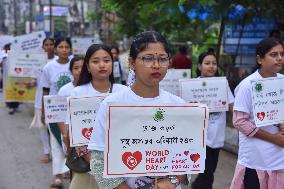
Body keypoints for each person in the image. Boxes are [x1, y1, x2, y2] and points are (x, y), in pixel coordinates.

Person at [88, 31, 187, 189]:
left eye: (162, 59)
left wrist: (172, 181)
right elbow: (98, 162)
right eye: (147, 58)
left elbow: (188, 155)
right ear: (131, 62)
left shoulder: (179, 105)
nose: (156, 65)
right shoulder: (111, 105)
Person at [68, 44, 127, 189]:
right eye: (95, 61)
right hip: (88, 168)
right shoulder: (78, 93)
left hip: (121, 166)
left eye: (106, 60)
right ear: (87, 67)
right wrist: (97, 166)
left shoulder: (124, 91)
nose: (102, 65)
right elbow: (76, 137)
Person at [230, 37, 284, 189]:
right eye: (274, 55)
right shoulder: (247, 85)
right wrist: (273, 138)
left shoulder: (282, 81)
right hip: (256, 159)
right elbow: (240, 122)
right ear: (260, 59)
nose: (279, 58)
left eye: (282, 54)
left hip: (279, 157)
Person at [191, 51, 234, 189]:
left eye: (214, 63)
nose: (211, 66)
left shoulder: (222, 84)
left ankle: (198, 185)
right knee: (207, 172)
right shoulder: (192, 85)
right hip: (199, 137)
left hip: (217, 136)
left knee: (210, 171)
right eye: (207, 63)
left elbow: (232, 105)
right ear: (199, 66)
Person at [41, 37, 73, 188]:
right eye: (61, 47)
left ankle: (69, 170)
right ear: (56, 49)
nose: (64, 50)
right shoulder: (49, 67)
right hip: (54, 109)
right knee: (56, 142)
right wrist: (43, 111)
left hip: (72, 108)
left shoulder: (75, 64)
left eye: (67, 47)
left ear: (71, 49)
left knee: (70, 142)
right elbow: (45, 90)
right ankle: (58, 176)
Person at [30, 37, 57, 163]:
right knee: (42, 127)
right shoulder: (37, 61)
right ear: (43, 47)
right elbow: (33, 80)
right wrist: (30, 84)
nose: (49, 46)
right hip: (39, 99)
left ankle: (59, 154)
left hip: (56, 100)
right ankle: (46, 152)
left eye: (51, 44)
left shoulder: (59, 61)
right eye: (47, 44)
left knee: (55, 129)